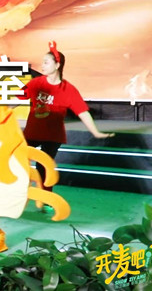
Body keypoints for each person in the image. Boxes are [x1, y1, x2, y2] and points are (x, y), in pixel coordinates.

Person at [20, 41, 114, 210]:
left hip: (52, 135)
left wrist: (96, 132)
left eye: (46, 62)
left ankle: (46, 200)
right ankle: (17, 194)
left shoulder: (68, 89)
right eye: (42, 62)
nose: (42, 66)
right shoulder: (35, 84)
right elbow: (14, 101)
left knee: (45, 167)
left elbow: (83, 112)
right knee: (19, 160)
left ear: (57, 65)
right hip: (32, 132)